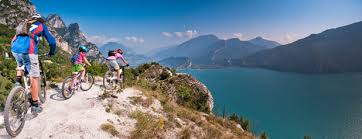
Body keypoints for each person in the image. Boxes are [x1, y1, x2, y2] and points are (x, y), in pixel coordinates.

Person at [11, 13, 57, 113]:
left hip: (14, 49)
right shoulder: (41, 25)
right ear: (39, 19)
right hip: (29, 51)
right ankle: (35, 105)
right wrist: (52, 52)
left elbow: (13, 39)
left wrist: (15, 50)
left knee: (20, 65)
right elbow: (52, 41)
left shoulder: (24, 24)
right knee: (34, 77)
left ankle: (17, 83)